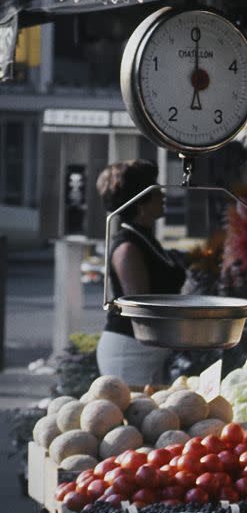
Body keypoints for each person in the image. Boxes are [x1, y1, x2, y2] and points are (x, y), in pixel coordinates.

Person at [96, 160, 185, 385]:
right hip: (128, 352)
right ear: (140, 203)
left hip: (150, 350)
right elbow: (142, 306)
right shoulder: (127, 247)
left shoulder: (146, 239)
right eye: (155, 189)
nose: (162, 194)